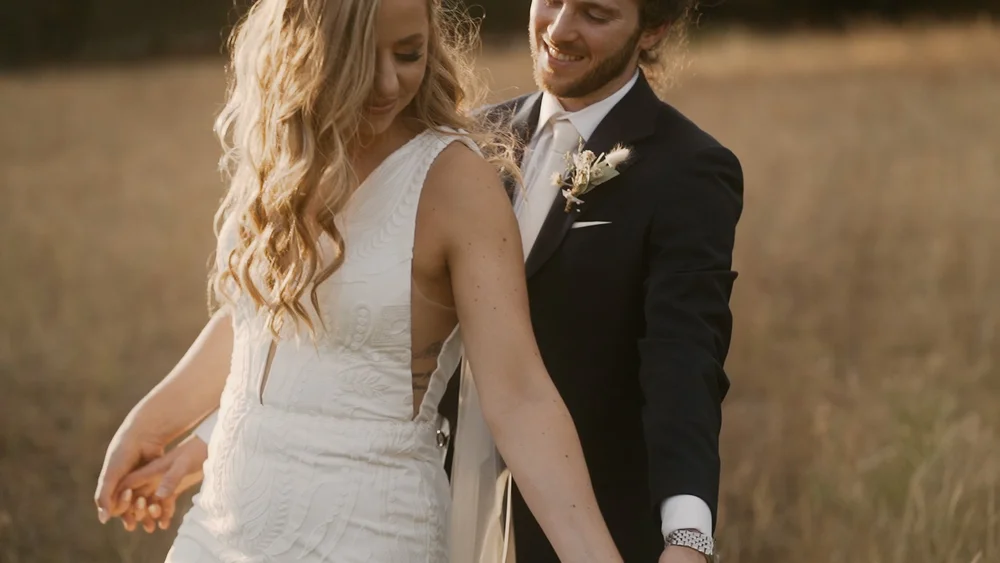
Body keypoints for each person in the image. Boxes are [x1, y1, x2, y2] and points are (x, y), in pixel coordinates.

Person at [105, 0, 744, 561]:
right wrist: (165, 428)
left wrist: (686, 533)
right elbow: (278, 318)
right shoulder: (322, 151)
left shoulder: (462, 168)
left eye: (409, 54)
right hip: (227, 522)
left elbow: (674, 364)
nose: (558, 29)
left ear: (652, 29)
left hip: (408, 516)